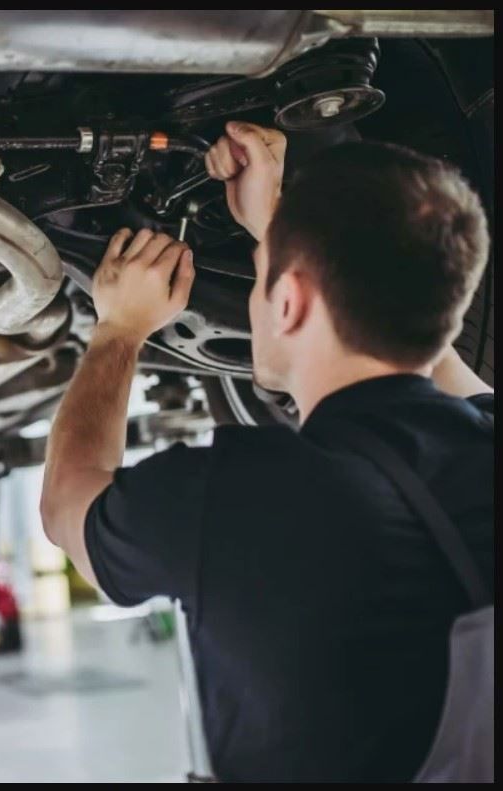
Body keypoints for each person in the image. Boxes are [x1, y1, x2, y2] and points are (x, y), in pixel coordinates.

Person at [40, 121, 493, 782]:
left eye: (258, 277)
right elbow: (417, 313)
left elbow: (64, 503)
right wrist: (277, 226)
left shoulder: (232, 495)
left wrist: (118, 328)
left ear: (287, 302)